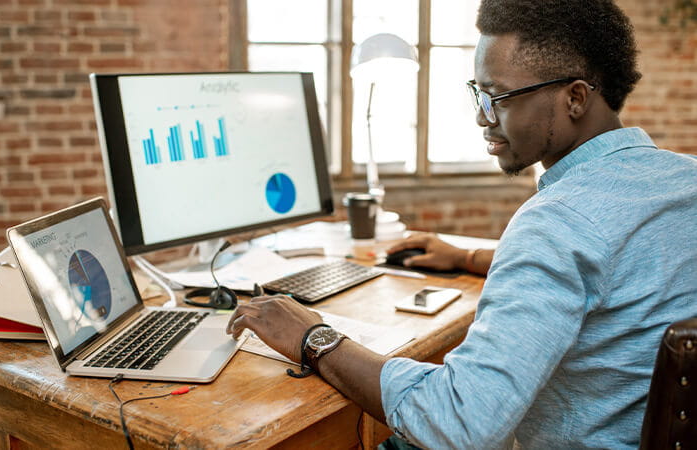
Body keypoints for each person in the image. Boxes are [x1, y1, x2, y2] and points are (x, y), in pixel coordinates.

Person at [226, 0, 697, 447]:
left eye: (499, 97)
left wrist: (315, 338)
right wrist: (468, 258)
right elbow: (621, 269)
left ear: (575, 98)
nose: (481, 116)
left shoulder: (557, 223)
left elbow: (459, 424)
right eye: (478, 93)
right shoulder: (684, 180)